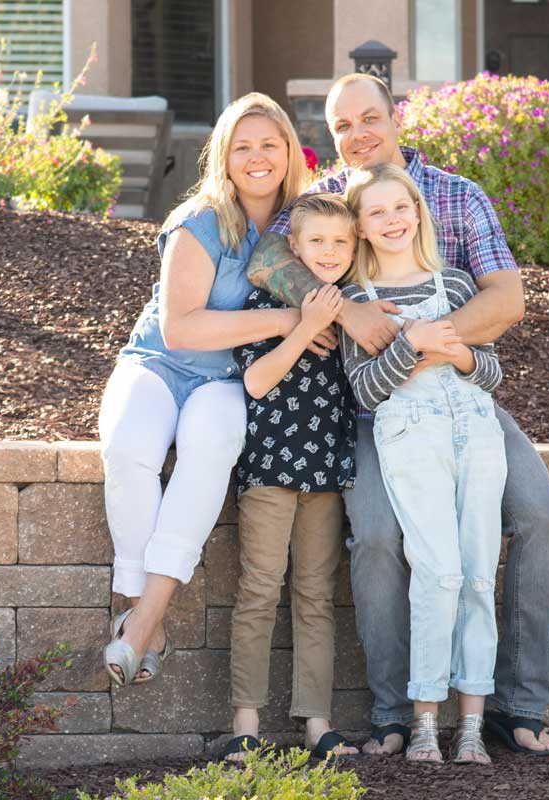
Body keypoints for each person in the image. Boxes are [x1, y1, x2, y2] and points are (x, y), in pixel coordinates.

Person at [246, 73, 549, 757]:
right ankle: (394, 715)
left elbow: (507, 298)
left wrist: (427, 338)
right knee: (378, 536)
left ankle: (518, 707)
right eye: (342, 126)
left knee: (542, 514)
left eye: (370, 118)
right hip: (372, 407)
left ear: (396, 118)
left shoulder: (455, 195)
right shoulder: (325, 201)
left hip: (458, 395)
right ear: (329, 138)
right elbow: (267, 257)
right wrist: (348, 310)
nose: (358, 134)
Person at [99, 92, 330, 688]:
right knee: (129, 448)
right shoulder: (198, 221)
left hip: (229, 378)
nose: (257, 158)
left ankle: (142, 620)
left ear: (288, 153)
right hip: (158, 362)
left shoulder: (302, 225)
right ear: (223, 157)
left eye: (269, 146)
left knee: (211, 446)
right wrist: (288, 323)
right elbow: (181, 328)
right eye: (242, 147)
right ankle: (141, 616)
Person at [339, 164, 505, 765]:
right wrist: (412, 346)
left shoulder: (457, 285)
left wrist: (457, 352)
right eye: (376, 212)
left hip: (476, 431)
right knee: (437, 571)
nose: (392, 220)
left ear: (418, 211)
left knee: (480, 571)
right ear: (359, 225)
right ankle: (425, 721)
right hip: (412, 436)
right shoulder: (359, 303)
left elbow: (491, 374)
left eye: (400, 207)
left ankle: (471, 725)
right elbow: (364, 390)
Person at [224, 193, 360, 763]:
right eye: (317, 242)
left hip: (326, 469)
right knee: (258, 589)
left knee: (315, 594)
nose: (329, 252)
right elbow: (257, 382)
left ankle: (317, 721)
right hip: (272, 464)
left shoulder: (358, 307)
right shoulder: (268, 299)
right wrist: (306, 327)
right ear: (295, 249)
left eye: (340, 242)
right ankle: (245, 722)